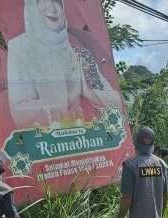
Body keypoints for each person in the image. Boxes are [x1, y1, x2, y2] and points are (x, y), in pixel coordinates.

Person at [7, 0, 123, 128]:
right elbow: (19, 111)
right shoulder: (20, 47)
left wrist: (91, 90)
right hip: (44, 143)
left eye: (56, 2)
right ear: (32, 7)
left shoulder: (79, 54)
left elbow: (116, 102)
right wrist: (58, 110)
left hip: (83, 139)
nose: (52, 8)